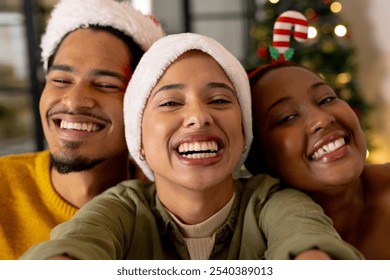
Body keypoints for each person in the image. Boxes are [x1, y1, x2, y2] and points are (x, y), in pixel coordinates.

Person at [20, 33, 363, 260]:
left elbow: (304, 235)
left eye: (218, 99)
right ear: (138, 136)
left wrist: (313, 260)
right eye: (170, 103)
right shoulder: (122, 207)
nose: (199, 117)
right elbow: (79, 241)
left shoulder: (271, 201)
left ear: (243, 131)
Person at [0, 0, 164, 259]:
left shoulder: (173, 208)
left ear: (141, 102)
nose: (74, 100)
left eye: (106, 84)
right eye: (61, 80)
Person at [245, 63, 390, 259]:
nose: (322, 119)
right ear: (260, 157)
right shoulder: (249, 245)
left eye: (326, 99)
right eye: (287, 117)